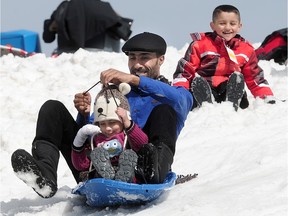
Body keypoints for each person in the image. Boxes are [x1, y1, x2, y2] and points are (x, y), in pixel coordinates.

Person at [11, 32, 193, 199]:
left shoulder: (170, 94)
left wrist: (135, 80)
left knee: (164, 111)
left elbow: (181, 100)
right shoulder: (117, 94)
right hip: (98, 167)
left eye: (144, 58)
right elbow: (91, 136)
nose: (137, 64)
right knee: (52, 109)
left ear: (161, 59)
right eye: (132, 58)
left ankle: (153, 175)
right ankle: (45, 177)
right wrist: (84, 115)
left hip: (141, 172)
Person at [173, 4, 275, 111]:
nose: (227, 27)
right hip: (207, 86)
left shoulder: (246, 50)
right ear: (213, 26)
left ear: (239, 26)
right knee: (199, 84)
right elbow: (185, 71)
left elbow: (254, 77)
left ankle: (233, 101)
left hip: (229, 87)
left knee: (235, 80)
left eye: (232, 23)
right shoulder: (200, 45)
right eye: (222, 23)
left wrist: (266, 96)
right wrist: (181, 92)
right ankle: (204, 101)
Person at [72, 83, 148, 183]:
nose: (108, 128)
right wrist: (80, 138)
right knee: (96, 153)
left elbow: (142, 143)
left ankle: (125, 175)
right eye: (102, 123)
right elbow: (81, 165)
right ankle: (105, 174)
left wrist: (128, 123)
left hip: (129, 177)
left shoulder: (128, 135)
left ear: (122, 120)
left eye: (112, 122)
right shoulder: (96, 138)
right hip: (101, 180)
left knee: (129, 155)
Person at [43, 0, 133, 56]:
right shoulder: (104, 7)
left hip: (68, 53)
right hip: (105, 52)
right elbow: (122, 30)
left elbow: (48, 37)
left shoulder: (64, 8)